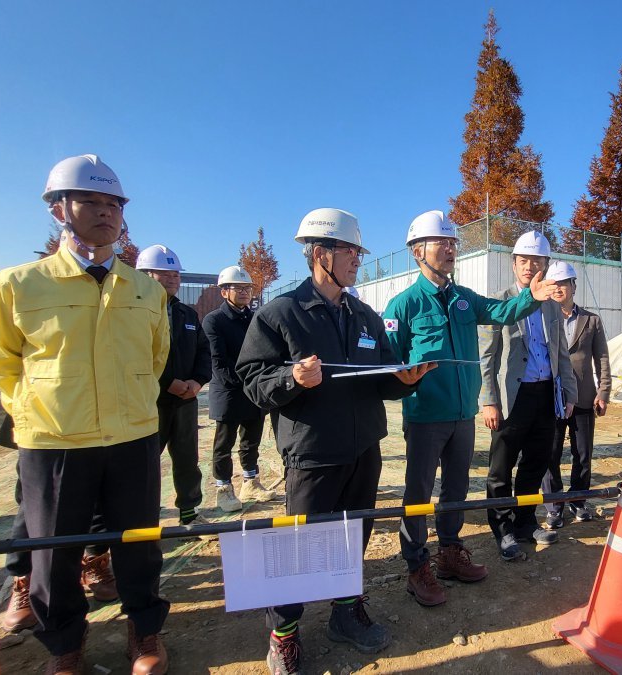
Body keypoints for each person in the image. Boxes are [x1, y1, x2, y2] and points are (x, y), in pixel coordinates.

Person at [0, 154, 170, 673]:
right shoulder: (18, 285)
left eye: (114, 204)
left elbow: (155, 359)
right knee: (54, 554)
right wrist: (34, 410)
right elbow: (1, 362)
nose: (105, 213)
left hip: (132, 437)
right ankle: (66, 647)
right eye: (90, 201)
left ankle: (145, 634)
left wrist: (130, 405)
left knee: (139, 544)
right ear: (59, 209)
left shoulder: (145, 289)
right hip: (56, 441)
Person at [236, 208, 433, 675]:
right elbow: (252, 380)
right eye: (350, 252)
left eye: (358, 252)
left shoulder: (363, 315)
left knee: (353, 536)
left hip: (364, 447)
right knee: (299, 547)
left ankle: (346, 613)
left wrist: (405, 380)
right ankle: (283, 634)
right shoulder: (279, 314)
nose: (357, 261)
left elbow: (378, 377)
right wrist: (292, 378)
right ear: (320, 254)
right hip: (313, 451)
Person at [382, 211, 558, 606]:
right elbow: (390, 366)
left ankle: (449, 553)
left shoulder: (464, 299)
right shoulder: (402, 306)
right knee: (418, 492)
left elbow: (501, 311)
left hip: (463, 416)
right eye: (440, 242)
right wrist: (401, 381)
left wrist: (532, 295)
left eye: (452, 242)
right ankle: (416, 566)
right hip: (426, 416)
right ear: (417, 252)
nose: (449, 248)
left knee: (457, 490)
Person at [479, 231, 577, 562]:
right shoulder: (498, 301)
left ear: (546, 265)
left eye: (536, 260)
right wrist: (488, 399)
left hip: (544, 394)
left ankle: (524, 522)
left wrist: (568, 391)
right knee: (501, 467)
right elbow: (486, 356)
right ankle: (502, 528)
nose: (529, 266)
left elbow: (560, 352)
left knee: (536, 461)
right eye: (523, 260)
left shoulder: (552, 306)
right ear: (514, 264)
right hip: (512, 396)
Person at [0, 414, 117, 634]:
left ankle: (94, 559)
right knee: (37, 497)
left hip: (103, 408)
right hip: (44, 412)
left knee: (100, 483)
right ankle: (24, 576)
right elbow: (5, 378)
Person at [136, 244, 212, 527]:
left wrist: (197, 381)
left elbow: (204, 352)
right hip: (149, 402)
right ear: (145, 275)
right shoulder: (134, 312)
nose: (172, 280)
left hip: (185, 401)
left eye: (176, 275)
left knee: (187, 459)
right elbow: (135, 354)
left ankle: (189, 513)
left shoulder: (187, 315)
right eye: (165, 274)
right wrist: (167, 382)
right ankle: (144, 519)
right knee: (144, 464)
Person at [539, 261, 612, 528]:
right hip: (551, 397)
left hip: (582, 396)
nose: (558, 288)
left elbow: (601, 357)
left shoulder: (591, 320)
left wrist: (603, 391)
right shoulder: (542, 316)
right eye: (554, 283)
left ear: (573, 286)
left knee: (582, 453)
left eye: (563, 283)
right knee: (551, 453)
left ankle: (579, 499)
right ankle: (554, 504)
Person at [202, 266, 278, 512]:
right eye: (239, 288)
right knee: (224, 444)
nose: (245, 293)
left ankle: (251, 482)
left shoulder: (255, 318)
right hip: (229, 391)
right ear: (224, 292)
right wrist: (250, 383)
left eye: (248, 288)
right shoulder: (214, 320)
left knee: (251, 441)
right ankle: (224, 489)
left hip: (253, 391)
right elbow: (219, 362)